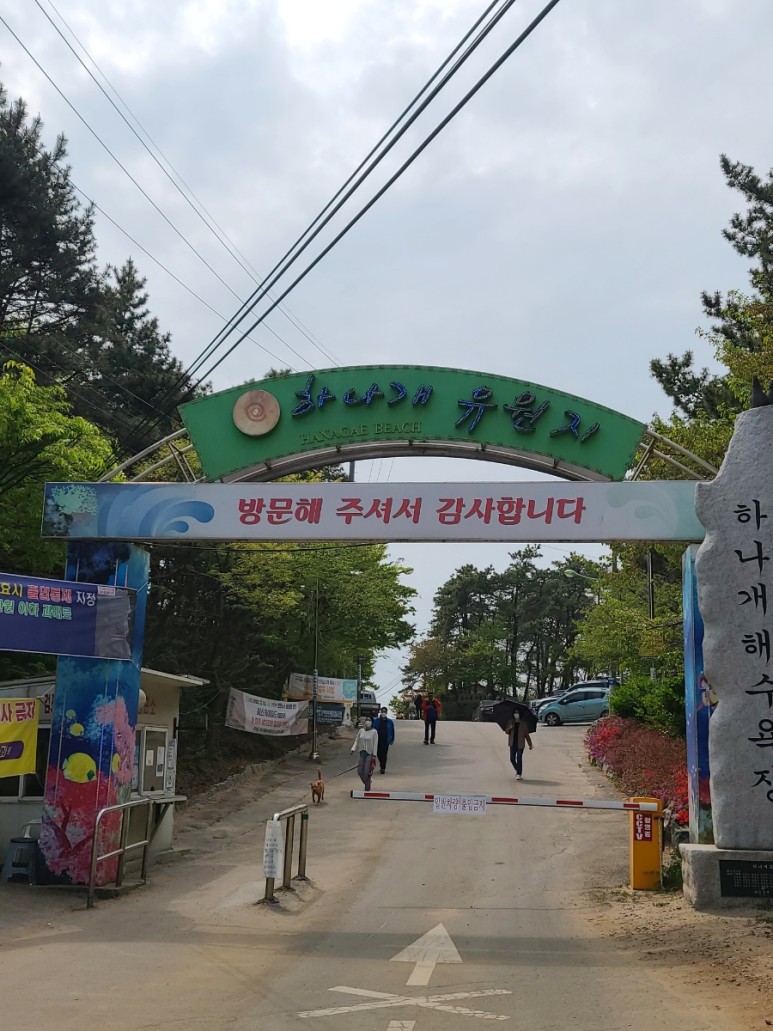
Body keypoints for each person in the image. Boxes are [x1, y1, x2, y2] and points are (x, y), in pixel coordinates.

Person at [351, 717, 379, 790]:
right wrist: (353, 749)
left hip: (370, 753)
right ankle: (367, 782)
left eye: (369, 720)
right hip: (362, 752)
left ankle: (367, 787)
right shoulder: (361, 731)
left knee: (367, 771)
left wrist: (374, 755)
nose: (368, 722)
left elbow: (375, 744)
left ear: (371, 722)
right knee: (360, 771)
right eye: (367, 720)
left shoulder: (374, 732)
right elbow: (357, 741)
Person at [505, 711, 533, 780]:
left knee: (519, 758)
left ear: (520, 714)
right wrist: (510, 728)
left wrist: (530, 744)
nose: (516, 714)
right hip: (512, 743)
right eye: (515, 713)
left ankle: (519, 774)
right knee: (512, 759)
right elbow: (506, 731)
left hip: (520, 744)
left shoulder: (523, 723)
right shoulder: (511, 722)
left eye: (517, 713)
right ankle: (518, 770)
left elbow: (526, 735)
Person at [372, 706, 395, 773]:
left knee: (384, 754)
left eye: (384, 712)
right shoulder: (376, 721)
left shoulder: (390, 722)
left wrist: (392, 739)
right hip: (377, 739)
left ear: (386, 712)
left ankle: (383, 767)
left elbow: (392, 731)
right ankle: (382, 764)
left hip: (386, 740)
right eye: (382, 712)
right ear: (380, 712)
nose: (383, 713)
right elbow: (372, 730)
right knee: (378, 753)